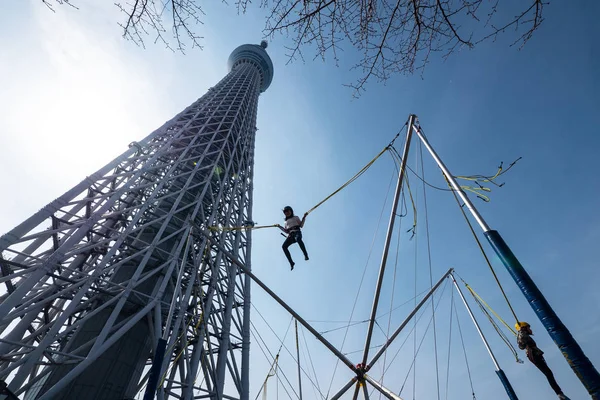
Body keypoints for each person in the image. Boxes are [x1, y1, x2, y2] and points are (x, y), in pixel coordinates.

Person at [516, 322, 570, 400]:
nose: (530, 329)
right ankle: (559, 393)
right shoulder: (522, 334)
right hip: (533, 355)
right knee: (548, 373)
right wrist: (521, 331)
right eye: (528, 327)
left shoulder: (524, 335)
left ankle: (559, 393)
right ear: (524, 328)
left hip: (536, 355)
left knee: (549, 373)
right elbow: (521, 345)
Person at [277, 206, 309, 270]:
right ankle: (291, 262)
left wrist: (304, 217)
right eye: (285, 212)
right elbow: (286, 231)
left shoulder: (296, 217)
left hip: (297, 232)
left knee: (298, 239)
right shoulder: (285, 222)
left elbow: (301, 225)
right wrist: (279, 226)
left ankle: (305, 255)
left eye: (288, 211)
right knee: (284, 246)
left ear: (291, 211)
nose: (287, 213)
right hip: (291, 236)